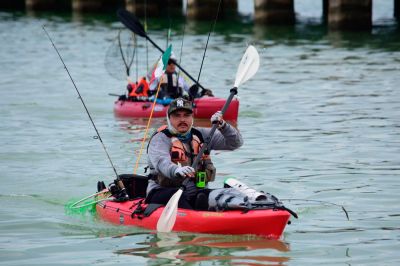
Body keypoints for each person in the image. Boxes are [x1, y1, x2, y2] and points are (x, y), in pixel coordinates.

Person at [146, 97, 243, 209]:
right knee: (180, 197)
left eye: (186, 115)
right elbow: (161, 163)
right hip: (162, 191)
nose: (182, 119)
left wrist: (224, 126)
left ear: (192, 117)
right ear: (169, 118)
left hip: (197, 192)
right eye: (177, 116)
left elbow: (236, 143)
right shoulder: (160, 138)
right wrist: (176, 170)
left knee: (222, 194)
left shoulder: (202, 134)